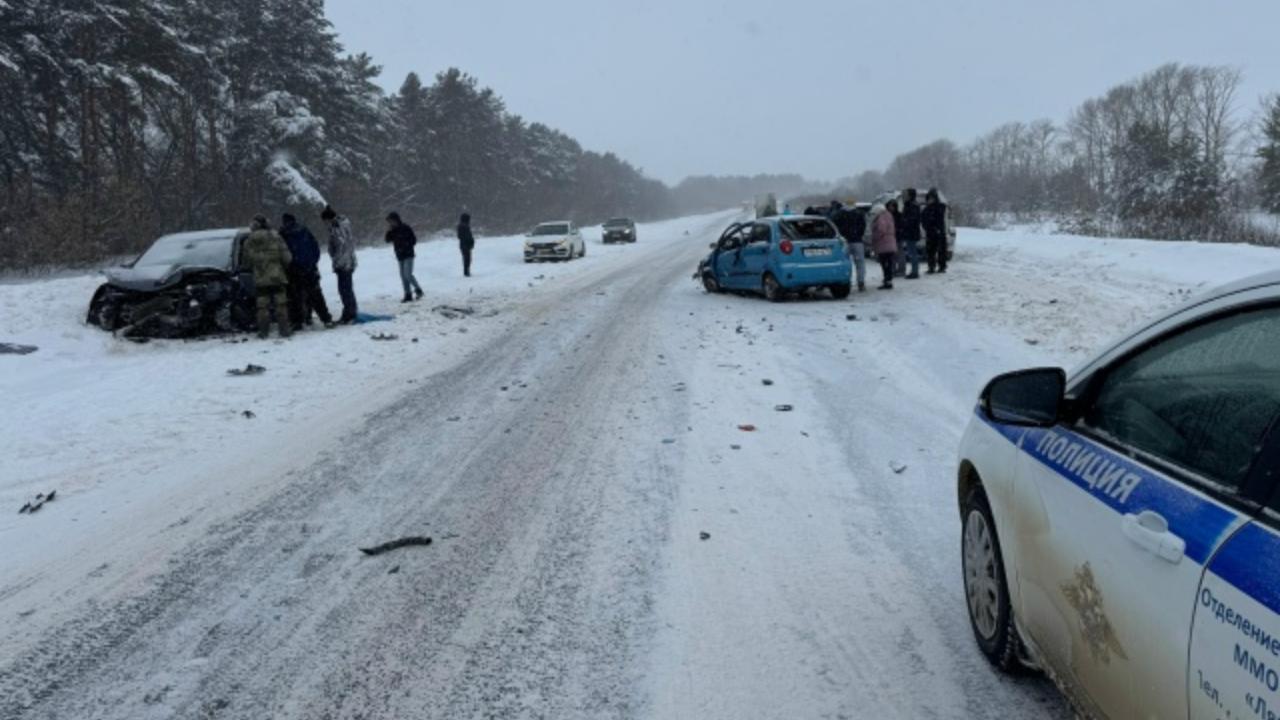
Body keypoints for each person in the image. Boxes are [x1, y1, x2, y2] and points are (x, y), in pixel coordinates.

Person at [280, 213, 334, 330]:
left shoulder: (283, 233)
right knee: (315, 295)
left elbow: (283, 253)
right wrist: (313, 263)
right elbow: (315, 247)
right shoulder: (304, 230)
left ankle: (297, 322)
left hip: (293, 270)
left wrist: (289, 266)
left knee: (294, 297)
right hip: (310, 269)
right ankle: (326, 318)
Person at [243, 215, 293, 338]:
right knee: (280, 304)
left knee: (262, 306)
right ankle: (284, 330)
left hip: (260, 278)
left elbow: (246, 261)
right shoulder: (276, 237)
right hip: (277, 276)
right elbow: (287, 258)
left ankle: (264, 331)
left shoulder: (249, 240)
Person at [321, 205, 358, 323]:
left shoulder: (338, 227)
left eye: (325, 221)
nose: (324, 224)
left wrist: (337, 260)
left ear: (328, 219)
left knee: (345, 290)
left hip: (344, 263)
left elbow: (343, 246)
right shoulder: (340, 225)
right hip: (346, 262)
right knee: (345, 289)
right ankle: (349, 312)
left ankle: (350, 314)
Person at [385, 211, 423, 303]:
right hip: (400, 256)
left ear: (396, 220)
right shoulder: (393, 230)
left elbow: (413, 240)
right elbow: (387, 240)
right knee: (403, 276)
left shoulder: (406, 228)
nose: (390, 223)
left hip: (408, 255)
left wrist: (406, 245)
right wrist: (389, 231)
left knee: (408, 274)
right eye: (389, 222)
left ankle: (418, 290)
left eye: (391, 221)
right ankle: (407, 294)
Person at [831, 202, 868, 292]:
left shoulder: (839, 214)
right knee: (860, 263)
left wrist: (842, 235)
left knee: (844, 263)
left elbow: (834, 227)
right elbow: (863, 226)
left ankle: (845, 281)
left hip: (844, 242)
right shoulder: (859, 213)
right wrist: (858, 234)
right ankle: (861, 282)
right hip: (857, 241)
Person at [870, 203, 897, 290]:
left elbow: (881, 230)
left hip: (883, 244)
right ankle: (888, 280)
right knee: (889, 263)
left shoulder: (881, 217)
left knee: (885, 264)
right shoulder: (889, 215)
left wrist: (875, 237)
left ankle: (887, 281)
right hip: (890, 243)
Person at [923, 188, 949, 274]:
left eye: (932, 198)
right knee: (930, 251)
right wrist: (926, 227)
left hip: (939, 232)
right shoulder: (927, 209)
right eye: (929, 198)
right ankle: (931, 267)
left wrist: (936, 228)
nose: (930, 200)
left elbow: (941, 217)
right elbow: (923, 220)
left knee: (941, 250)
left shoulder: (940, 207)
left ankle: (941, 266)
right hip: (931, 232)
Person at [899, 188, 923, 279]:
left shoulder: (912, 205)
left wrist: (904, 222)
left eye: (906, 195)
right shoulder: (910, 205)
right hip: (911, 232)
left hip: (911, 232)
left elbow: (913, 219)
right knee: (912, 252)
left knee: (913, 252)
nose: (904, 197)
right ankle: (914, 270)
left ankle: (915, 271)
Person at [457, 212, 475, 277]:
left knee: (467, 258)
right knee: (467, 259)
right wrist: (470, 241)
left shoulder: (462, 226)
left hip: (464, 244)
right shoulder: (464, 226)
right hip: (465, 244)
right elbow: (466, 236)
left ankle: (466, 271)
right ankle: (466, 272)